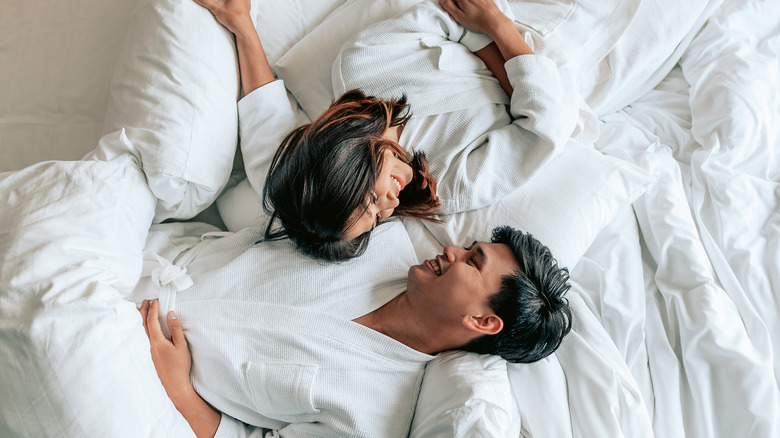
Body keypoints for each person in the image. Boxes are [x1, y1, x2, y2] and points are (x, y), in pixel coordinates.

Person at [194, 0, 592, 261]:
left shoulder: (362, 61)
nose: (389, 206)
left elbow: (453, 20)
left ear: (345, 157)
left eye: (371, 200)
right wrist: (504, 44)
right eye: (377, 219)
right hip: (567, 58)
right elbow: (546, 127)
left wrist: (242, 25)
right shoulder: (444, 185)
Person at [139, 225, 572, 438]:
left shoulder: (373, 417)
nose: (451, 249)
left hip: (140, 373)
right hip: (148, 249)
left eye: (472, 261)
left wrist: (179, 389)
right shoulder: (379, 236)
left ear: (482, 321)